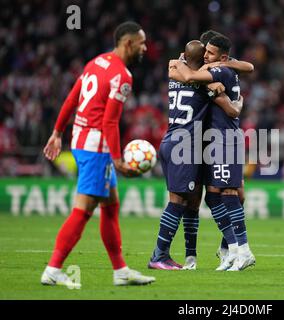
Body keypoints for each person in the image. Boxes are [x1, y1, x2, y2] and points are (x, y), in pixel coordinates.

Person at [41, 22, 155, 287]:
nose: (145, 47)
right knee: (83, 210)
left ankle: (120, 271)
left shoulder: (97, 62)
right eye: (142, 43)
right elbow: (110, 122)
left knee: (111, 207)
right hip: (96, 148)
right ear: (128, 43)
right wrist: (116, 159)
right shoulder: (122, 76)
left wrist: (57, 132)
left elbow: (72, 98)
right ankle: (53, 269)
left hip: (81, 139)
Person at [147, 40, 244, 270]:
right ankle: (159, 256)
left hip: (172, 141)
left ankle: (187, 257)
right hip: (185, 146)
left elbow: (179, 67)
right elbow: (230, 109)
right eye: (206, 56)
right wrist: (237, 103)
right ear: (201, 61)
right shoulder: (204, 84)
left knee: (191, 200)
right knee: (178, 201)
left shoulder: (174, 74)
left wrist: (178, 62)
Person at [170, 34, 255, 270]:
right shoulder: (214, 71)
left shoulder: (219, 72)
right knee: (214, 195)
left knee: (231, 194)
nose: (206, 56)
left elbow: (231, 108)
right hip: (212, 141)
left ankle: (241, 250)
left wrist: (181, 67)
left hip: (224, 139)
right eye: (204, 52)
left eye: (210, 53)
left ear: (222, 56)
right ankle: (228, 250)